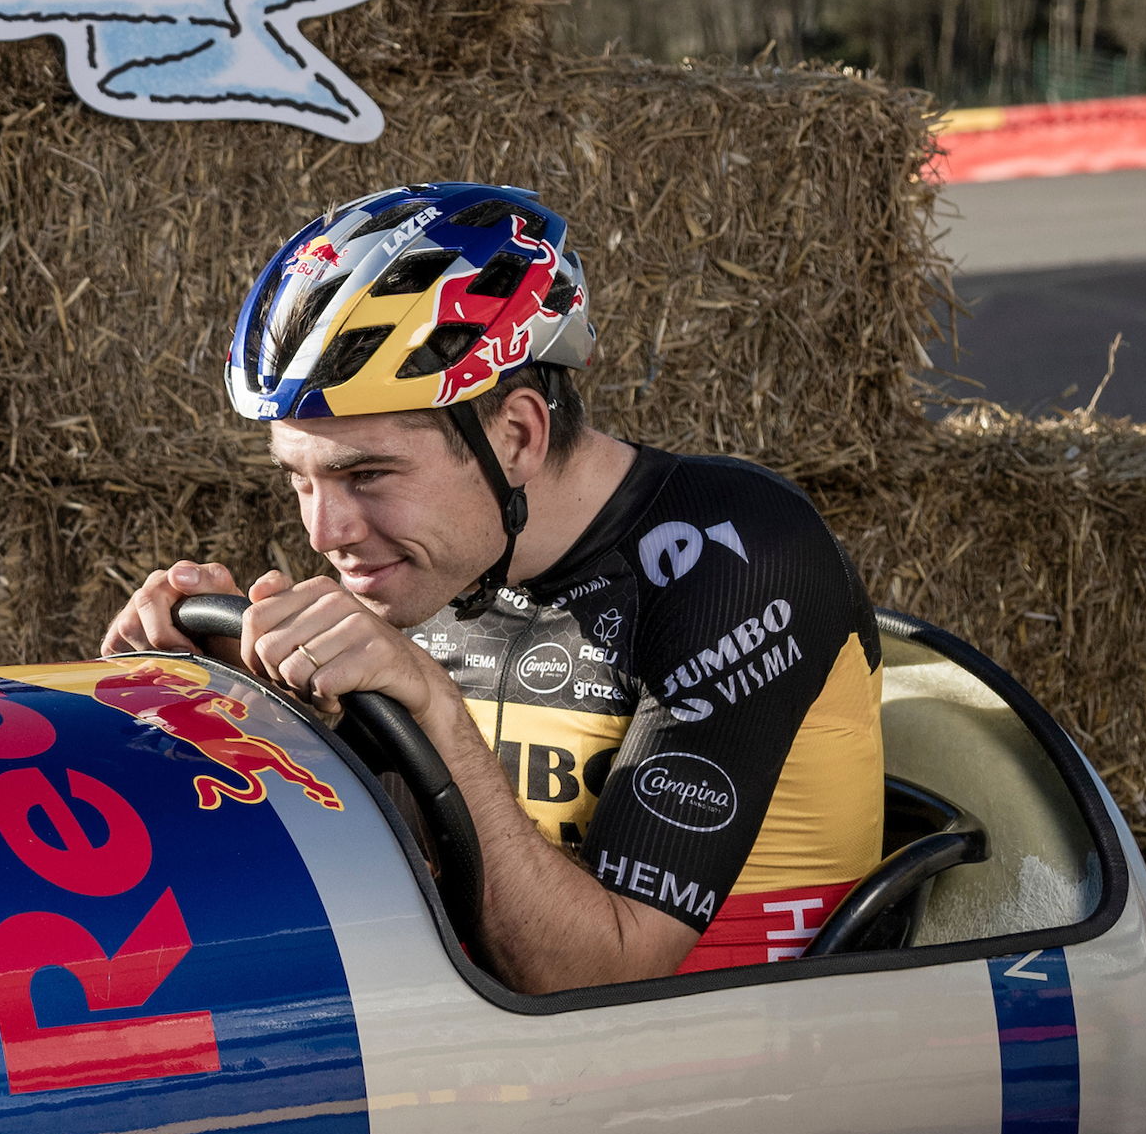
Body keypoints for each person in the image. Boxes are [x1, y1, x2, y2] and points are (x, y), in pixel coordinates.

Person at [101, 182, 883, 994]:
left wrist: (433, 710)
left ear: (515, 435)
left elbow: (598, 978)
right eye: (297, 480)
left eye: (365, 473)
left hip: (743, 1064)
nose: (322, 532)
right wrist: (245, 712)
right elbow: (419, 873)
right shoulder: (444, 558)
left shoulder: (733, 551)